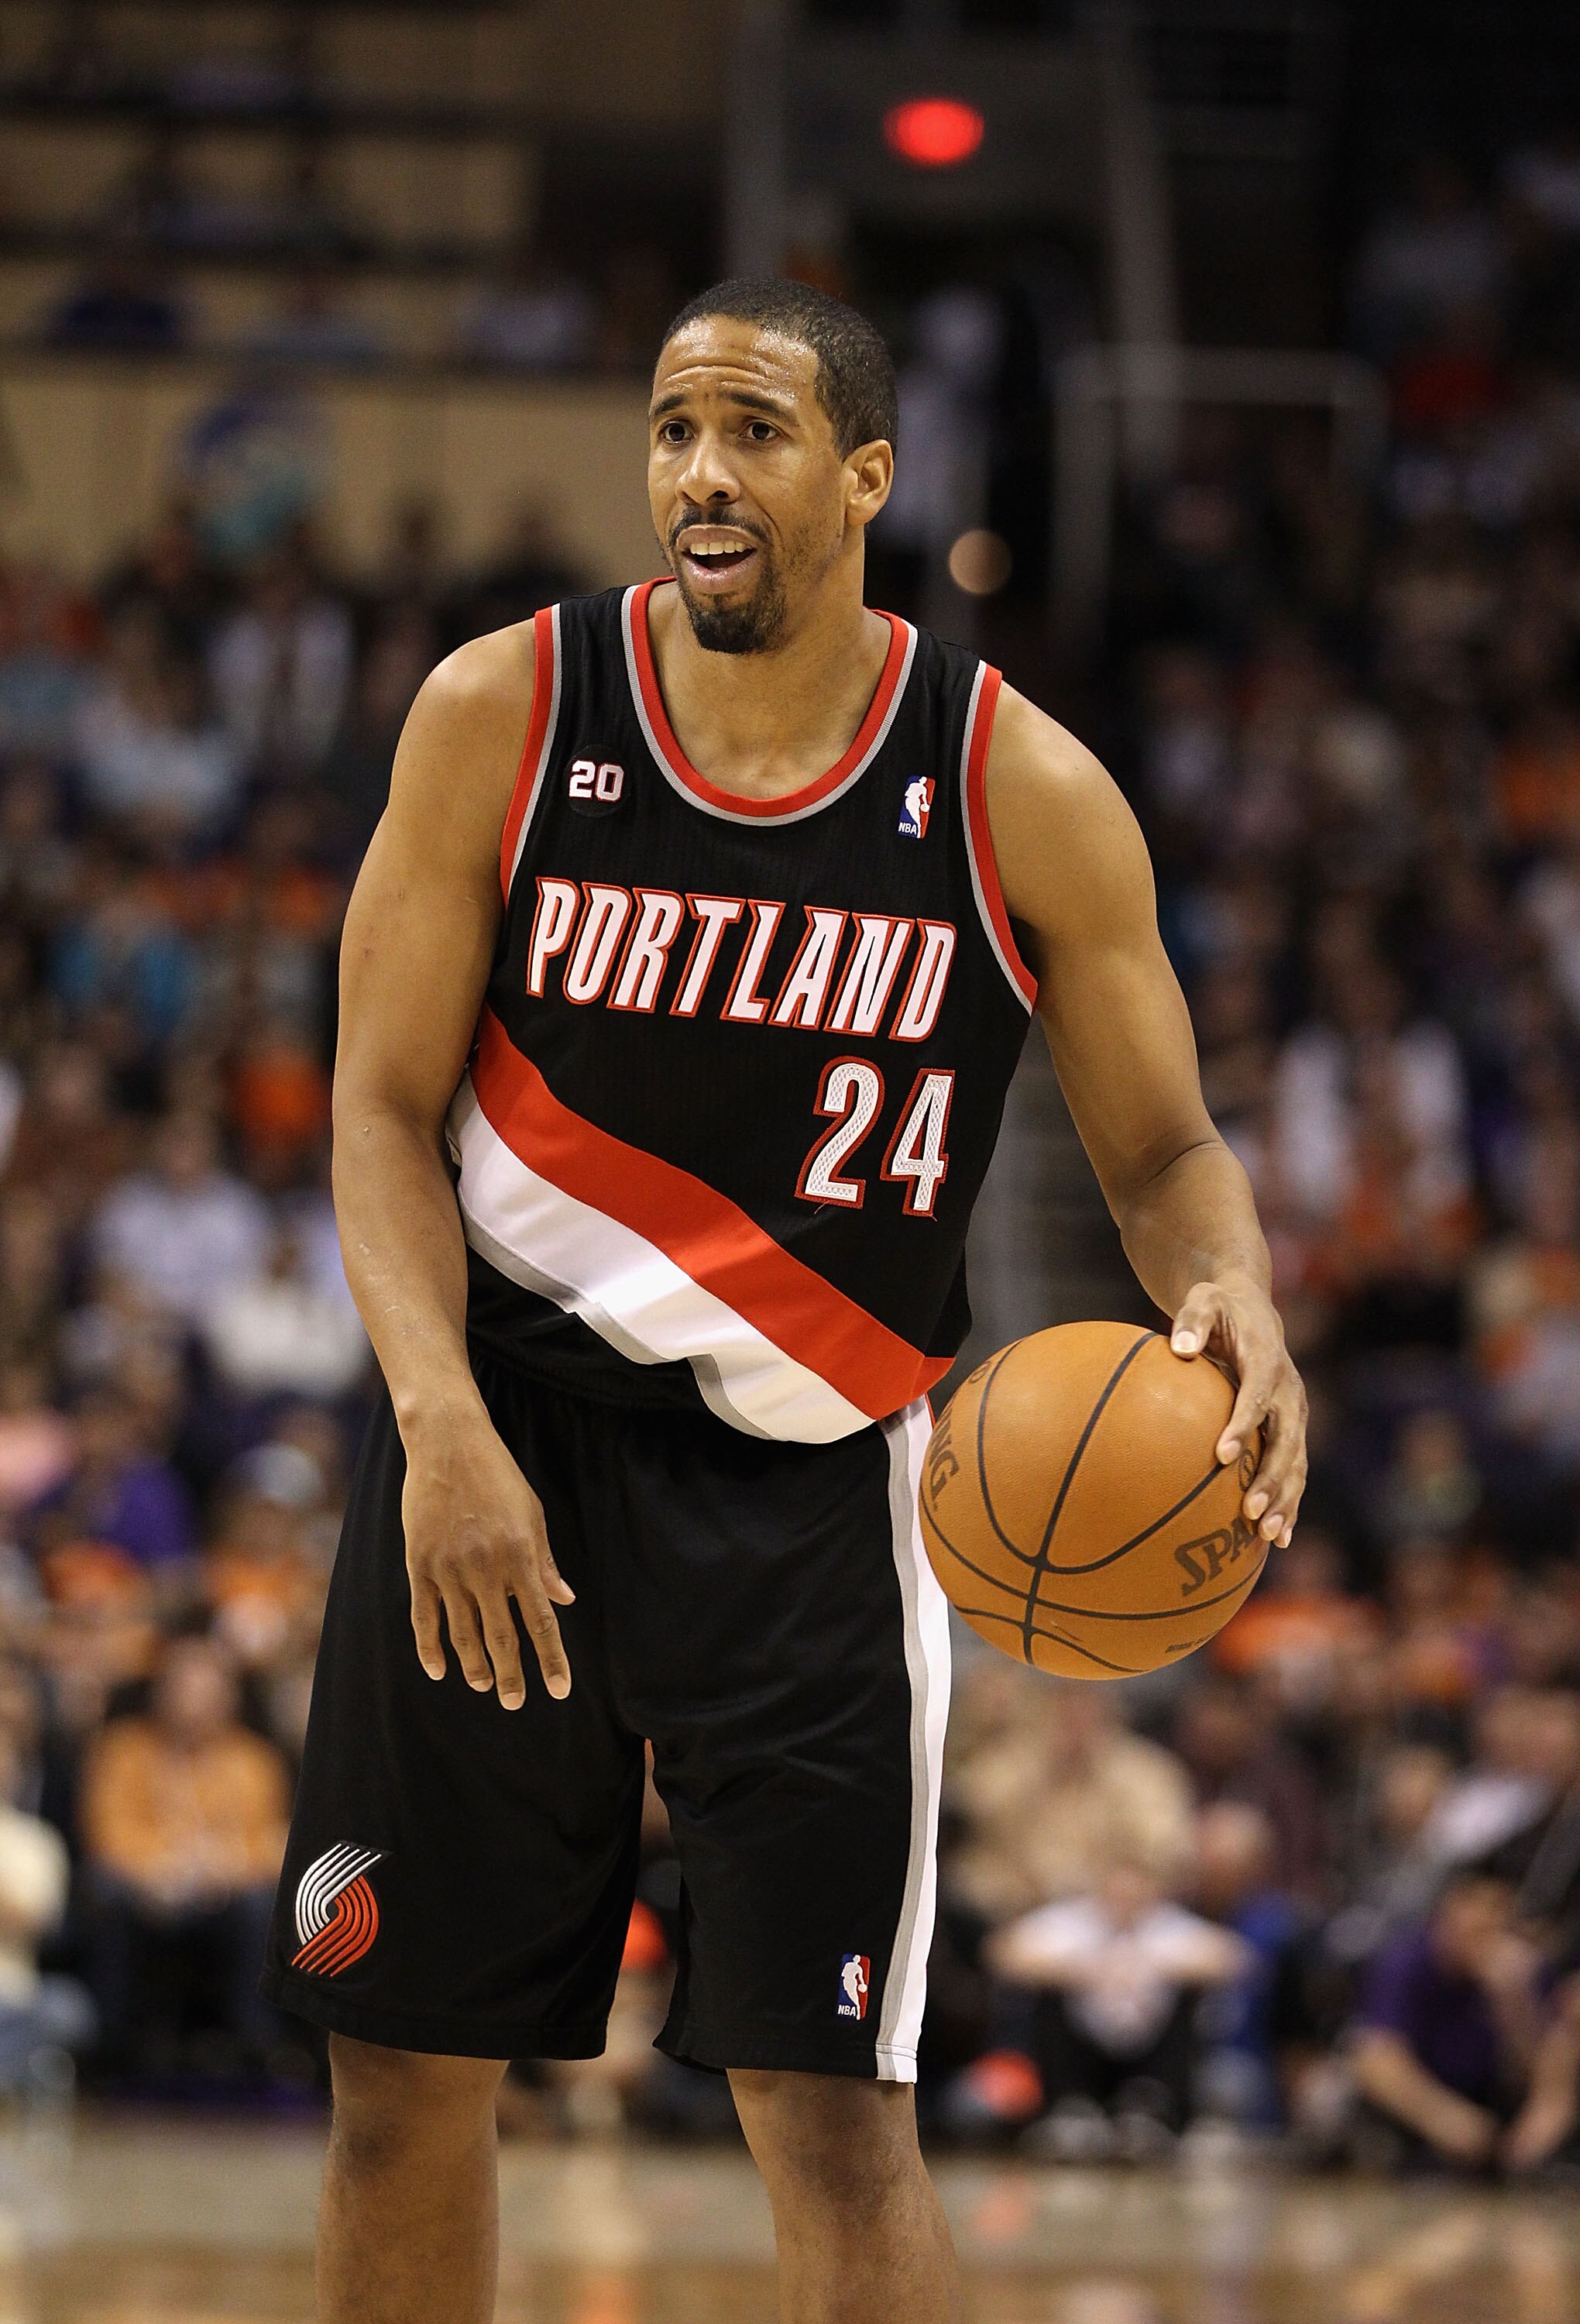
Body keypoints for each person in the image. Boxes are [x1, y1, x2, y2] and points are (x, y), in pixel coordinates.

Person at [262, 277, 1307, 2324]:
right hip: (497, 1455)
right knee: (397, 2077)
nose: (700, 476)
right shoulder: (508, 711)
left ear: (865, 477)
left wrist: (1235, 1290)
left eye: (750, 432)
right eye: (672, 431)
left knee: (833, 2115)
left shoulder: (1017, 785)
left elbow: (1167, 1157)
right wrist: (444, 1430)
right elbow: (376, 1113)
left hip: (817, 1501)